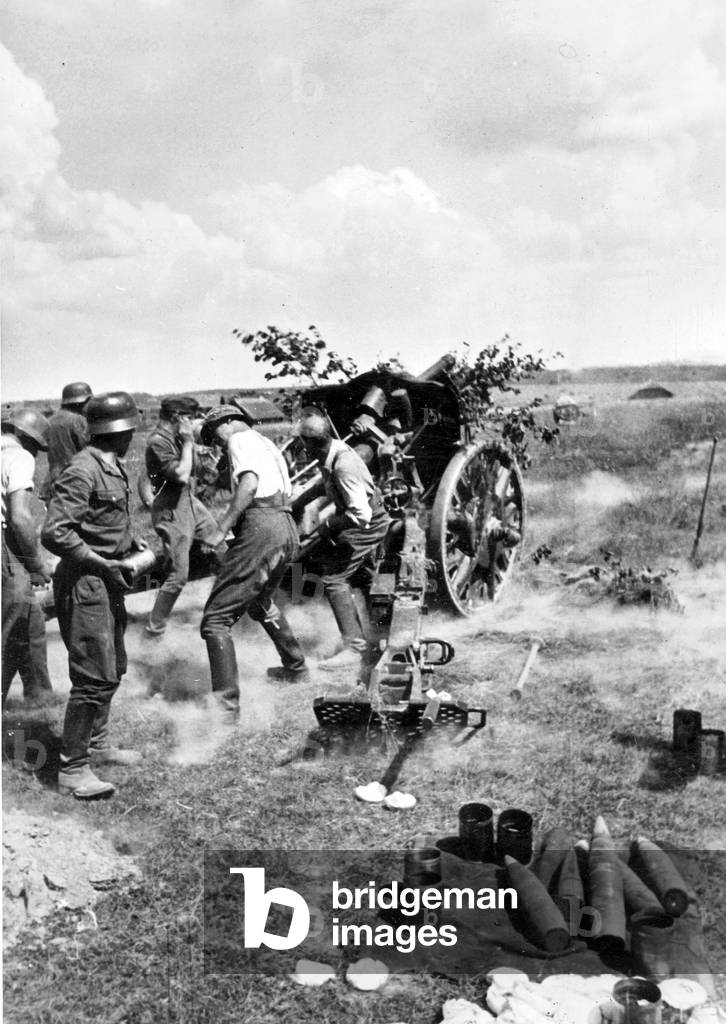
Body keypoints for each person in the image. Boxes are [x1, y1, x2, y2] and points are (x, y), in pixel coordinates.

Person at [42, 392, 146, 800]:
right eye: (129, 429)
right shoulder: (83, 470)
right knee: (93, 675)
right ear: (117, 431)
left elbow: (101, 522)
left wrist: (129, 544)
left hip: (107, 578)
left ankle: (97, 745)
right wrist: (101, 561)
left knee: (112, 666)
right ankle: (72, 768)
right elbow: (55, 532)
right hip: (86, 581)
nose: (132, 436)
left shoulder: (112, 466)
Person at [198, 405, 308, 716]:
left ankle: (225, 710)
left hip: (263, 526)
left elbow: (249, 484)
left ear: (228, 422)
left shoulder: (239, 439)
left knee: (216, 619)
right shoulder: (265, 442)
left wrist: (221, 529)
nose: (217, 444)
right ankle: (296, 667)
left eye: (214, 436)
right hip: (285, 526)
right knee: (260, 603)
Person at [297, 409, 390, 670]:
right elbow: (324, 484)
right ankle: (377, 636)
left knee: (334, 579)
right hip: (364, 519)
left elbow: (361, 515)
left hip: (367, 525)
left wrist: (328, 525)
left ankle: (354, 648)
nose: (302, 448)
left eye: (303, 442)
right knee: (362, 576)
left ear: (311, 444)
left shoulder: (343, 466)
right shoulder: (334, 450)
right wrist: (300, 502)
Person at [144, 396, 220, 637]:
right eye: (190, 417)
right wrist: (188, 442)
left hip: (189, 502)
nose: (193, 422)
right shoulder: (158, 441)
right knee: (178, 576)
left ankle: (220, 612)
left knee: (223, 551)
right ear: (177, 417)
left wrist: (195, 445)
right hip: (171, 508)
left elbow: (197, 470)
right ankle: (154, 630)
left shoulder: (175, 438)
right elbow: (181, 475)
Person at [1, 409, 55, 706]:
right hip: (5, 547)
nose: (34, 453)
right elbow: (20, 518)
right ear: (23, 436)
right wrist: (36, 563)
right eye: (35, 445)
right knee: (7, 628)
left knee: (30, 620)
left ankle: (39, 695)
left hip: (8, 547)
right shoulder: (19, 456)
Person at [46, 381, 92, 489]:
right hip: (76, 479)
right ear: (81, 401)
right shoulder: (78, 420)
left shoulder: (50, 420)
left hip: (54, 479)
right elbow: (90, 451)